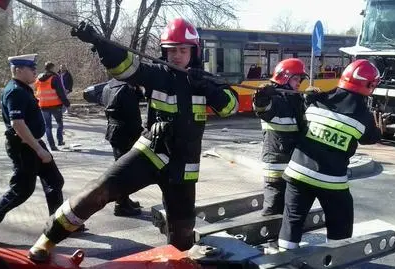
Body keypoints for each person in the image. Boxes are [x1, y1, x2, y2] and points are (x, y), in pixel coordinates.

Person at [28, 18, 238, 262]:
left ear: (194, 51)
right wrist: (100, 43)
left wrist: (209, 89)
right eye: (171, 50)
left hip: (184, 167)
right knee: (98, 191)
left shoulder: (205, 80)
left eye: (183, 50)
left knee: (183, 236)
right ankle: (45, 241)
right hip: (151, 152)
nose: (177, 56)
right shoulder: (158, 74)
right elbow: (125, 68)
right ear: (164, 51)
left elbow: (230, 106)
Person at [277, 59, 382, 249]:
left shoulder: (319, 98)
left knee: (292, 219)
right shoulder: (363, 115)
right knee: (341, 220)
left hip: (297, 173)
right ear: (370, 85)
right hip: (330, 181)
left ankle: (284, 257)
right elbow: (371, 138)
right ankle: (335, 256)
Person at [0, 54, 65, 230]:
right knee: (22, 190)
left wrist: (39, 147)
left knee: (55, 181)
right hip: (25, 147)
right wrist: (39, 150)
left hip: (33, 143)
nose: (35, 71)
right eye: (31, 68)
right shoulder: (15, 91)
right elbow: (17, 124)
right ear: (18, 70)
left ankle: (58, 225)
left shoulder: (23, 88)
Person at [252, 58, 307, 216]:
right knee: (273, 206)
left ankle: (281, 238)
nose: (299, 83)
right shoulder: (274, 98)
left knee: (289, 207)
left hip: (292, 162)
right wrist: (261, 97)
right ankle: (269, 239)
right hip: (276, 164)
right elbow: (262, 109)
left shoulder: (295, 98)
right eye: (296, 79)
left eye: (300, 79)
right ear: (285, 77)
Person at [100, 79, 143, 216]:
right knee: (126, 171)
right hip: (125, 132)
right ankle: (121, 204)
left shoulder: (108, 86)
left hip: (114, 131)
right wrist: (140, 133)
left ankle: (124, 199)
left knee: (121, 168)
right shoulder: (125, 89)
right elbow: (133, 115)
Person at [35, 62, 70, 151]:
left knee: (48, 126)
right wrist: (66, 103)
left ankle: (52, 146)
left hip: (43, 105)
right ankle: (60, 140)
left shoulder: (38, 78)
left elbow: (36, 90)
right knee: (59, 123)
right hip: (55, 105)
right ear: (52, 68)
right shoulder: (54, 78)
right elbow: (60, 92)